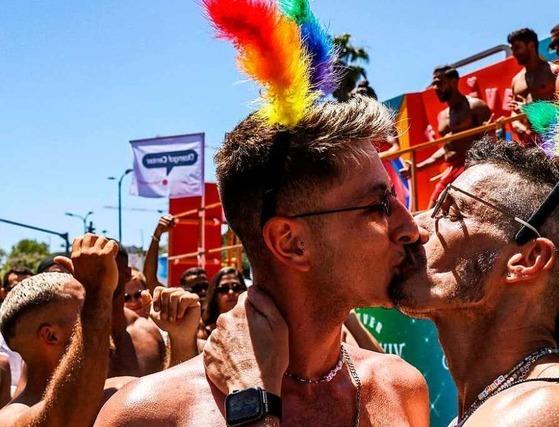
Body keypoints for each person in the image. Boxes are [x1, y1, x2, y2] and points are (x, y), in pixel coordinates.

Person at [206, 138, 559, 426]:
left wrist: (252, 397)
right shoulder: (505, 405)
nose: (414, 226)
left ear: (526, 260)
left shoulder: (543, 415)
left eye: (451, 210)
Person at [95, 96, 430, 426]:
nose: (410, 227)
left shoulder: (400, 388)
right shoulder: (146, 416)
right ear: (291, 243)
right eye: (379, 205)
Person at [0, 236, 120, 426]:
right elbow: (63, 420)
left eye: (92, 308)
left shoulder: (113, 390)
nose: (100, 318)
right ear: (51, 335)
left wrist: (179, 338)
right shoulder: (10, 418)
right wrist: (97, 295)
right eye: (85, 310)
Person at [109, 243, 200, 377]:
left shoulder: (152, 332)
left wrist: (181, 339)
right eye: (127, 298)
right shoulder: (70, 331)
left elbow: (173, 389)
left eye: (138, 295)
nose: (134, 301)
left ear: (126, 273)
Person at [412, 65, 491, 206]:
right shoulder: (442, 116)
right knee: (432, 211)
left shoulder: (476, 106)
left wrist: (490, 131)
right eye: (434, 84)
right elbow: (447, 148)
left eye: (439, 83)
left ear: (454, 81)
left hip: (472, 166)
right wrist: (418, 167)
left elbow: (490, 141)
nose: (436, 88)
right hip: (451, 171)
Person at [508, 28, 559, 145]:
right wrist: (522, 129)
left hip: (556, 138)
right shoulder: (516, 81)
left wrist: (529, 109)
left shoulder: (553, 71)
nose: (514, 53)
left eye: (517, 48)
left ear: (531, 45)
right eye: (512, 49)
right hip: (532, 144)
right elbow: (514, 113)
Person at [199, 266, 247, 339]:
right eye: (224, 288)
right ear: (215, 295)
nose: (231, 292)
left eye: (236, 287)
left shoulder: (255, 326)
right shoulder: (205, 333)